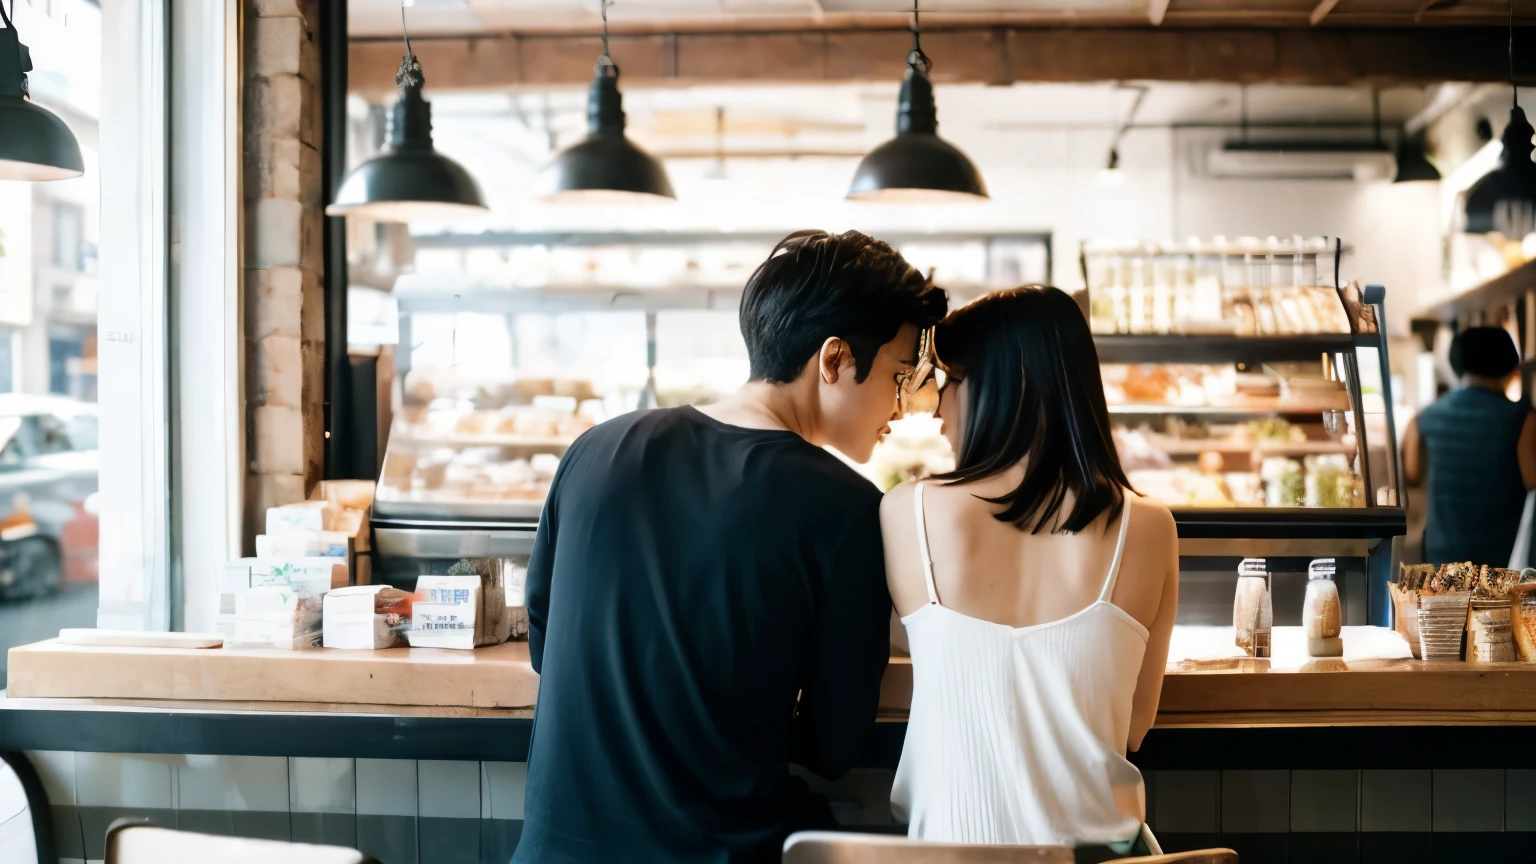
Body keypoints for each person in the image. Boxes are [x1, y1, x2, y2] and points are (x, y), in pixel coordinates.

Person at [513, 230, 947, 864]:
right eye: (899, 374)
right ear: (833, 360)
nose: (904, 408)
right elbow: (835, 748)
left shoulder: (594, 449)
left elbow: (546, 644)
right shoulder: (847, 509)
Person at [881, 286, 1178, 859]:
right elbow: (1135, 727)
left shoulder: (906, 513)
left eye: (951, 383)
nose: (938, 409)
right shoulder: (1149, 526)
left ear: (1001, 388)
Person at [1403, 325, 1536, 566]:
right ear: (1509, 362)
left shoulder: (1424, 417)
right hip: (1499, 562)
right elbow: (1532, 479)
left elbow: (1411, 472)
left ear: (1458, 361)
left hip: (1440, 557)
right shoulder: (1522, 417)